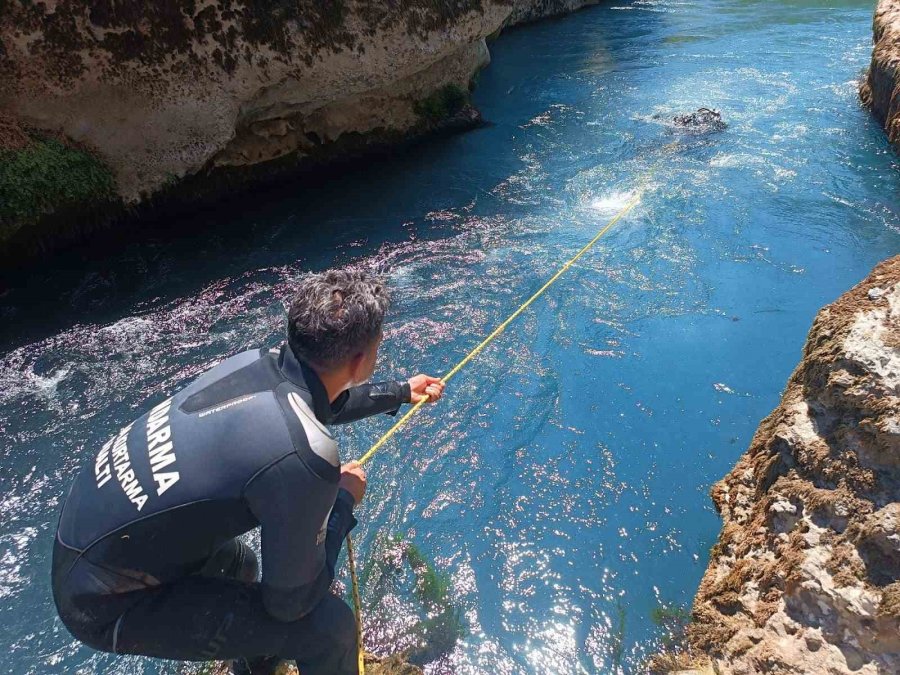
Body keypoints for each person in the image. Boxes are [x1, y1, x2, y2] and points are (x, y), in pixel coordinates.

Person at [51, 268, 445, 675]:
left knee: (239, 568)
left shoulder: (252, 364)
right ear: (361, 359)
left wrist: (398, 392)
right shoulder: (306, 457)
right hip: (103, 603)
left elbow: (316, 400)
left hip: (81, 541)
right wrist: (344, 500)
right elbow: (291, 604)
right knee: (330, 629)